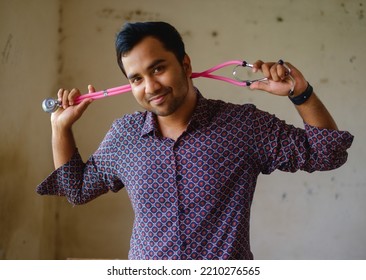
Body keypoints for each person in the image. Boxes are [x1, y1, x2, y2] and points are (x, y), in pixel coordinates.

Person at [37, 21, 353, 260]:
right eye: (136, 79)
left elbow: (328, 154)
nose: (150, 87)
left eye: (158, 68)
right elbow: (76, 190)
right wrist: (60, 129)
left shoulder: (242, 125)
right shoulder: (124, 136)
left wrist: (300, 92)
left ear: (185, 65)